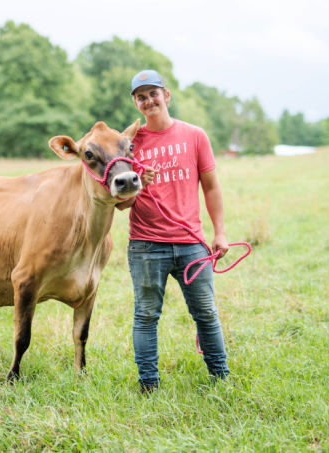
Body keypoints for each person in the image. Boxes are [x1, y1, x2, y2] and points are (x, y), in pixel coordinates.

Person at [117, 69, 231, 394]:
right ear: (137, 104)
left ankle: (220, 378)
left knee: (206, 313)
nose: (148, 100)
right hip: (146, 246)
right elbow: (119, 204)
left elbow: (211, 187)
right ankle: (148, 385)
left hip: (191, 244)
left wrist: (219, 233)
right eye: (141, 96)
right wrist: (138, 186)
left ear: (166, 96)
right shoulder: (130, 145)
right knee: (146, 315)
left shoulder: (195, 135)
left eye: (154, 93)